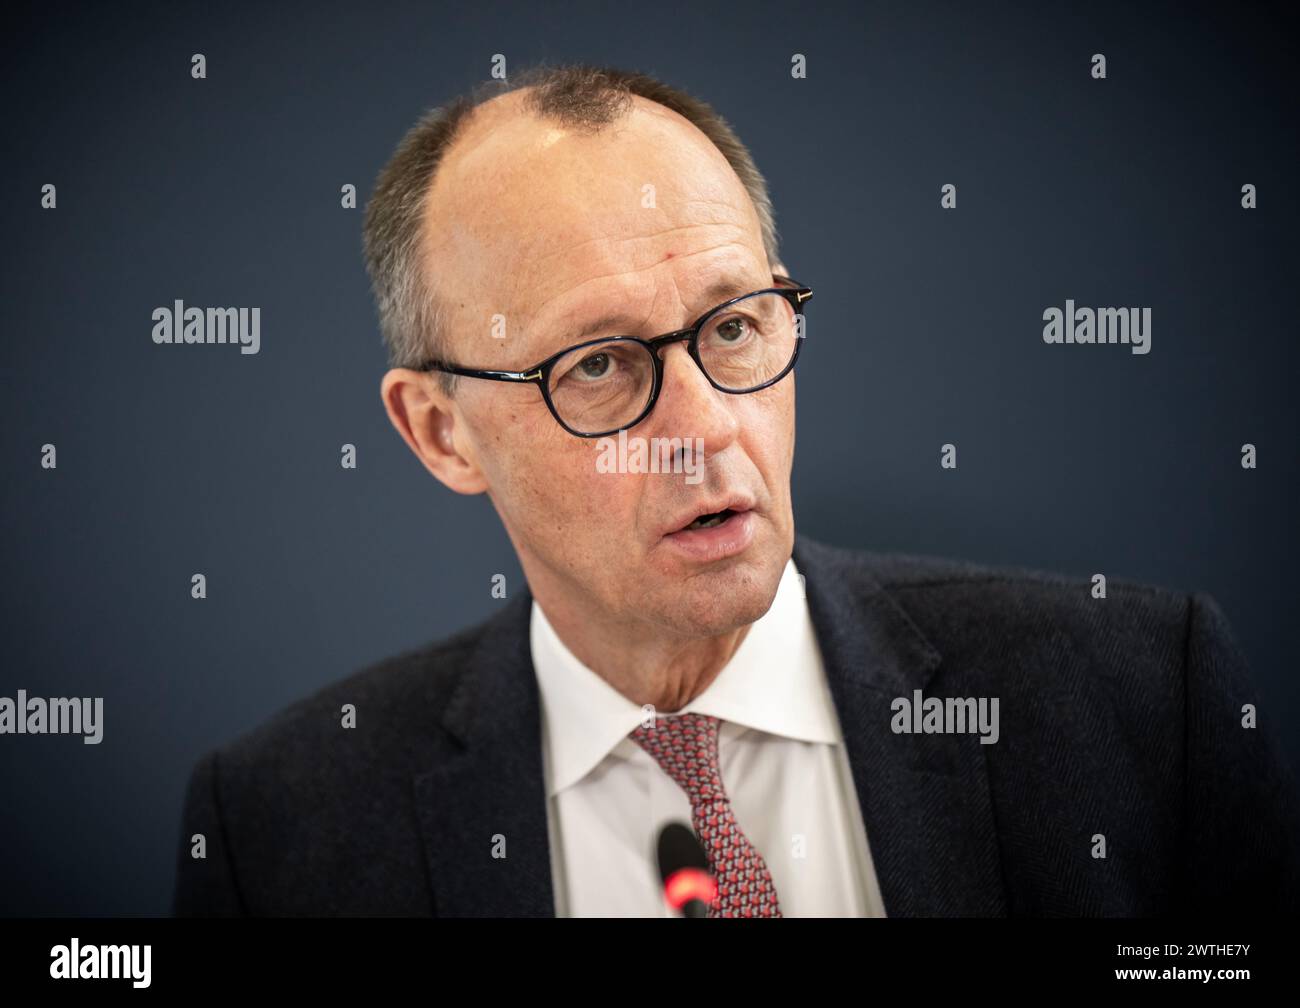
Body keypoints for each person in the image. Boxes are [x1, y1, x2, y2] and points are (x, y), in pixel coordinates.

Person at [171, 63, 1300, 917]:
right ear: (440, 432)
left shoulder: (1142, 704)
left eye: (734, 326)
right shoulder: (283, 833)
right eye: (599, 366)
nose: (707, 425)